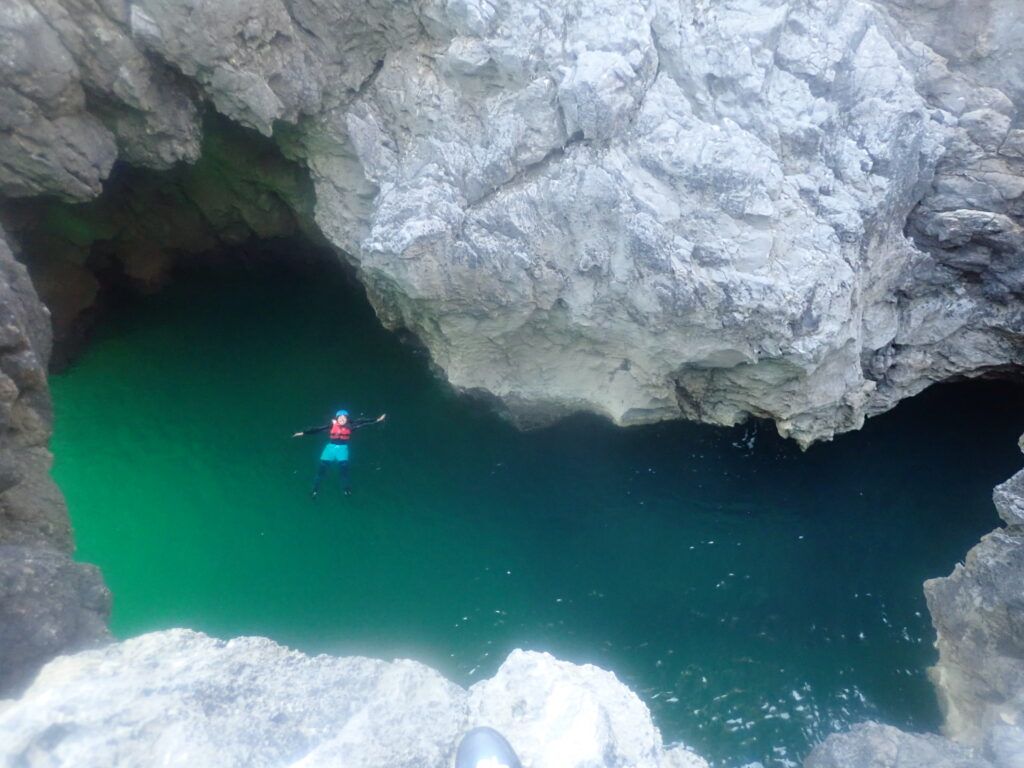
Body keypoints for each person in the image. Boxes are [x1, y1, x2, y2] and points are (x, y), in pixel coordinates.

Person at [292, 409, 386, 497]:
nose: (341, 419)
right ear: (336, 419)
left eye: (344, 418)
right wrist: (303, 433)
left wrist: (377, 420)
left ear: (347, 419)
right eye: (339, 418)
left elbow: (364, 422)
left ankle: (346, 489)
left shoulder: (351, 427)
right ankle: (315, 489)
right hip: (330, 449)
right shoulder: (331, 426)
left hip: (342, 449)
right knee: (321, 471)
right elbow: (317, 430)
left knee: (344, 470)